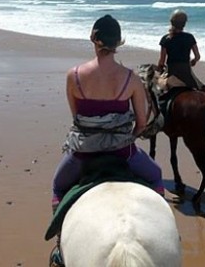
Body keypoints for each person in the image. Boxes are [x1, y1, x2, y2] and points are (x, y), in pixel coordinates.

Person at [51, 14, 164, 212]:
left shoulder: (74, 75)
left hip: (83, 153)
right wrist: (126, 137)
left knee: (58, 186)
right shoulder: (132, 78)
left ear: (94, 38)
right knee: (155, 175)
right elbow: (142, 124)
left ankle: (59, 236)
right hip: (122, 152)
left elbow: (77, 118)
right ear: (118, 42)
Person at [157, 9, 205, 92]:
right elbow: (197, 56)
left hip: (172, 72)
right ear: (184, 23)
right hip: (187, 72)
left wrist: (159, 69)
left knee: (158, 90)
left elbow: (161, 61)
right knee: (201, 89)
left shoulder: (165, 39)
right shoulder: (190, 37)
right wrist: (193, 62)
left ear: (171, 22)